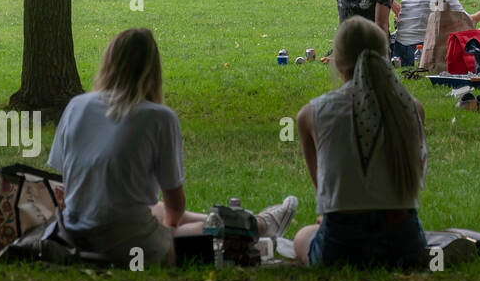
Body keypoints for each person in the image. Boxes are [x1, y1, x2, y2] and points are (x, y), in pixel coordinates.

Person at [50, 28, 297, 267]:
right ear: (152, 70)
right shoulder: (158, 117)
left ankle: (259, 222)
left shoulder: (75, 106)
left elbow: (64, 185)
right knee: (204, 230)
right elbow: (175, 207)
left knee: (154, 209)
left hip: (75, 236)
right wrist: (168, 232)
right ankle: (256, 226)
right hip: (127, 247)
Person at [293, 17, 428, 269]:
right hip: (405, 242)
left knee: (302, 237)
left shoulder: (310, 114)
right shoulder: (412, 107)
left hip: (342, 243)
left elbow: (324, 189)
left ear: (338, 62)